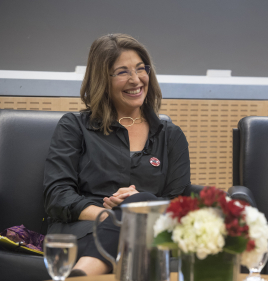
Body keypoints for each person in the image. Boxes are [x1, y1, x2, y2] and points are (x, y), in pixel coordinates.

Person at [43, 34, 190, 276]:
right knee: (135, 216)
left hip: (152, 234)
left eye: (141, 69)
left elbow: (178, 205)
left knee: (140, 205)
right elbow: (57, 196)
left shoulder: (170, 136)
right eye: (122, 72)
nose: (136, 80)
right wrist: (110, 216)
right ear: (102, 79)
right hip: (83, 229)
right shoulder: (75, 126)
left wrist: (138, 206)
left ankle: (81, 275)